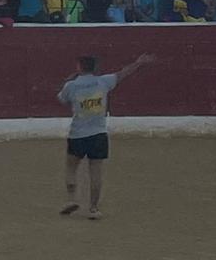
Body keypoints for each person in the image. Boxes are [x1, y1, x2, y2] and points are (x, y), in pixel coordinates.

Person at [57, 51, 154, 220]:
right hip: (98, 134)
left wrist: (68, 81)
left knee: (71, 168)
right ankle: (93, 209)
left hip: (77, 134)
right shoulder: (104, 81)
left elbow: (62, 99)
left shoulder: (71, 86)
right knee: (95, 172)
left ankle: (71, 199)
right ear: (95, 68)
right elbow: (124, 73)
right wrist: (138, 63)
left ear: (79, 67)